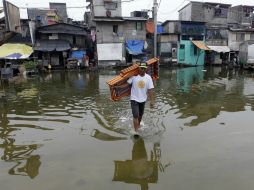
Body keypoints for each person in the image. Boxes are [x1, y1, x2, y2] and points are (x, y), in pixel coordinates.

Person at [127, 62, 155, 133]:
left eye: (144, 68)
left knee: (140, 115)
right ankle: (136, 132)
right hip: (134, 99)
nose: (142, 70)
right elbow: (126, 84)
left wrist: (152, 101)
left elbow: (150, 90)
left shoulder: (148, 77)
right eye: (141, 68)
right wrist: (117, 87)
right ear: (139, 68)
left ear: (146, 69)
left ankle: (138, 125)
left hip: (143, 99)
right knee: (136, 115)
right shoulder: (134, 76)